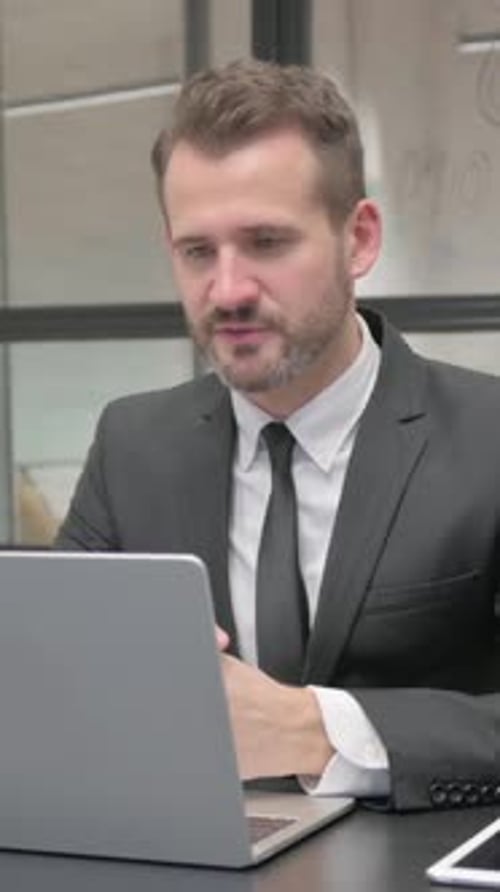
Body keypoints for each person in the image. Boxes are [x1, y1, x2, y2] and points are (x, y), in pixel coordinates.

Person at [55, 59, 500, 812]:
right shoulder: (132, 443)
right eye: (198, 251)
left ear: (359, 239)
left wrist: (316, 731)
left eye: (265, 242)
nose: (227, 290)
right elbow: (50, 677)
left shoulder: (488, 438)